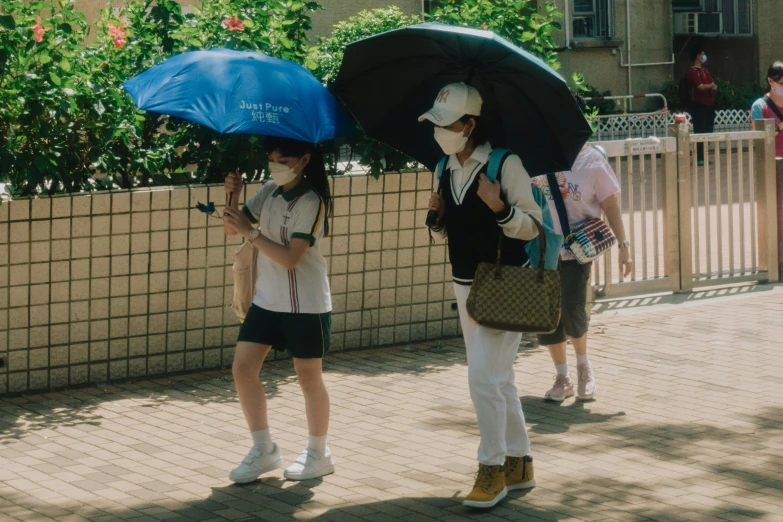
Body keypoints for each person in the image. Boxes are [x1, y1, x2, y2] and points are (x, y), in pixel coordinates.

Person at [424, 82, 542, 509]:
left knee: (483, 379)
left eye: (446, 124)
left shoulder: (503, 164)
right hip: (465, 283)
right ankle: (520, 461)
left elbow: (532, 225)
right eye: (435, 124)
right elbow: (453, 228)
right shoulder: (442, 167)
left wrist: (500, 208)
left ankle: (492, 468)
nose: (439, 131)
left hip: (506, 283)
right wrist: (436, 217)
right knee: (497, 379)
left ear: (470, 124)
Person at [222, 137, 334, 483]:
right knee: (242, 370)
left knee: (308, 378)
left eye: (281, 160)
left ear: (303, 160)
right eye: (271, 159)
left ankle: (318, 452)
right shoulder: (270, 190)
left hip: (305, 304)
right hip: (266, 301)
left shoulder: (312, 201)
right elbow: (231, 228)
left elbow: (290, 258)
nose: (274, 166)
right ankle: (264, 449)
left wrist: (251, 232)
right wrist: (234, 196)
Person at [531, 95, 632, 402]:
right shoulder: (534, 157)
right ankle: (562, 378)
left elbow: (610, 205)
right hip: (541, 249)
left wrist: (624, 245)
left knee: (574, 310)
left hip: (577, 250)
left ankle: (584, 369)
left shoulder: (591, 162)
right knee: (547, 316)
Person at [685, 47, 718, 166]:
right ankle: (698, 158)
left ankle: (704, 156)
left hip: (710, 105)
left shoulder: (705, 70)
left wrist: (710, 86)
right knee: (700, 131)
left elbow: (712, 84)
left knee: (708, 131)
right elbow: (700, 87)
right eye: (703, 54)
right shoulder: (692, 71)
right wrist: (710, 85)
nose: (704, 56)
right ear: (698, 56)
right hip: (699, 106)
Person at [750, 62, 783, 157]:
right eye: (782, 83)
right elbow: (762, 138)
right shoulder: (759, 106)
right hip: (770, 166)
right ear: (770, 81)